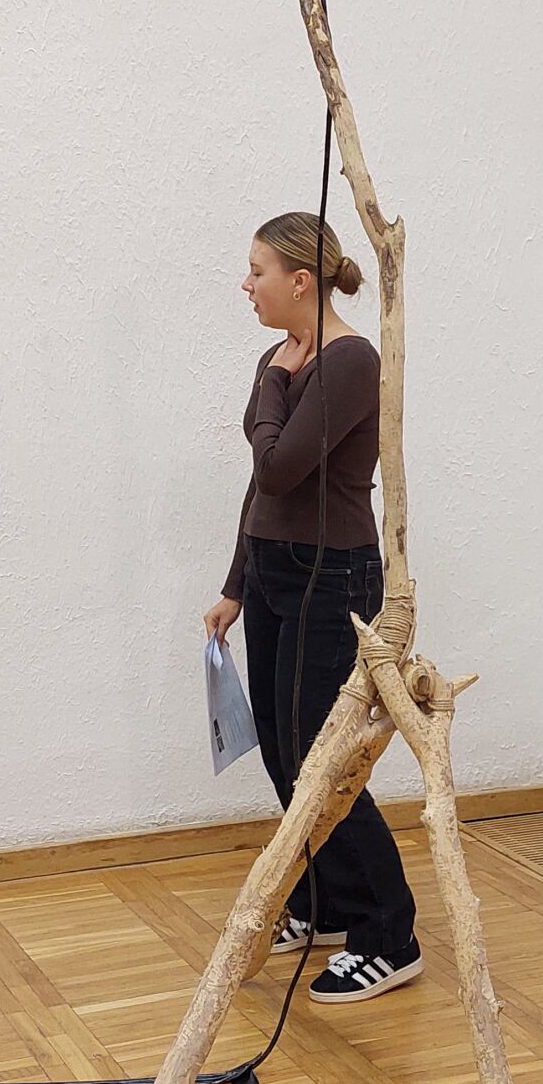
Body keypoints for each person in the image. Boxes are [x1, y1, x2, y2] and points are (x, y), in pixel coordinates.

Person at [204, 213, 422, 1002]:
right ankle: (328, 901)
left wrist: (273, 381)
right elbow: (261, 486)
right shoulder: (280, 356)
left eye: (257, 270)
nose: (246, 284)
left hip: (331, 576)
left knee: (319, 758)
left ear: (301, 281)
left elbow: (281, 465)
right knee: (280, 746)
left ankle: (389, 935)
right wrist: (236, 583)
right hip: (273, 569)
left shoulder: (350, 361)